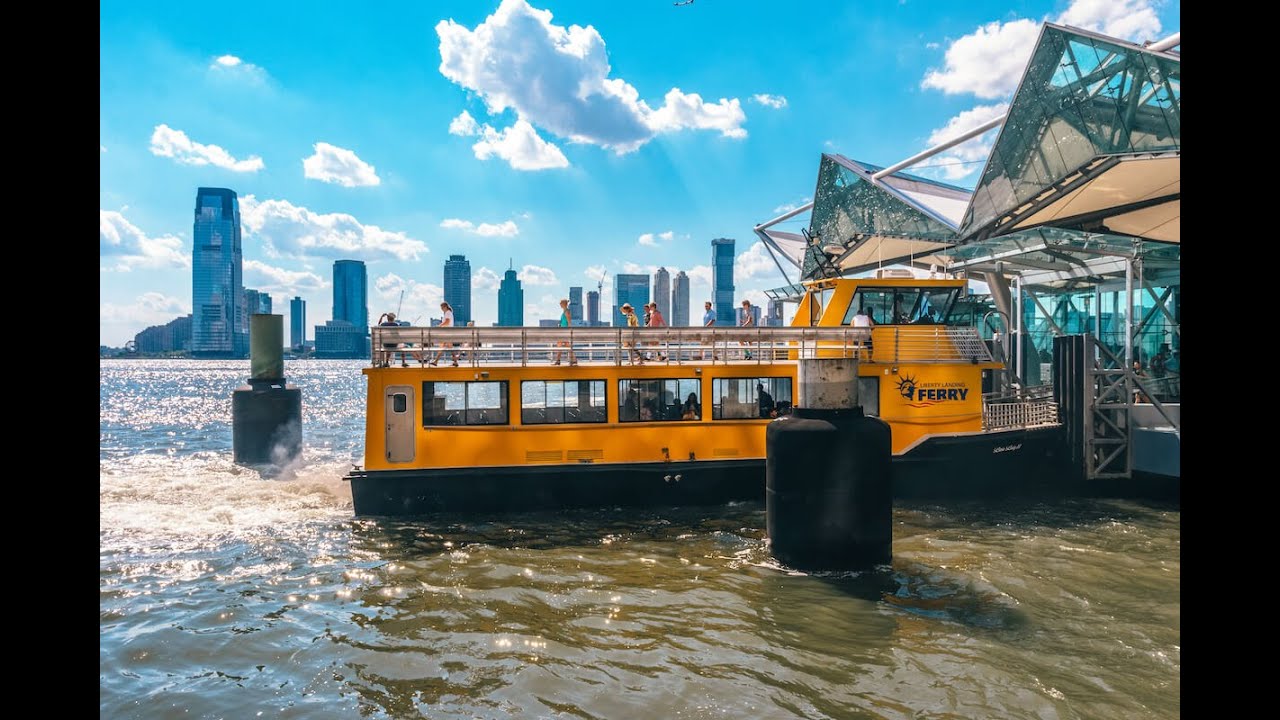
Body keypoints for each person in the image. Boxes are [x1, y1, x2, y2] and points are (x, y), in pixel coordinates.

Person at [430, 302, 460, 366]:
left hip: (447, 332)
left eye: (442, 307)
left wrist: (439, 326)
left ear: (445, 307)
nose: (441, 309)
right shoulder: (448, 313)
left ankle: (436, 361)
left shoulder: (448, 313)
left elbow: (447, 322)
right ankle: (455, 362)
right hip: (448, 332)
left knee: (442, 347)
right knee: (450, 348)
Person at [552, 298, 578, 365]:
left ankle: (558, 361)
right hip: (563, 331)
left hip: (564, 332)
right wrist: (560, 325)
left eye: (560, 303)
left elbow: (569, 322)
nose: (560, 304)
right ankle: (574, 360)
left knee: (559, 345)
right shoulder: (564, 311)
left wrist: (569, 332)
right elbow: (564, 322)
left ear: (564, 304)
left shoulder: (567, 312)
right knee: (567, 346)